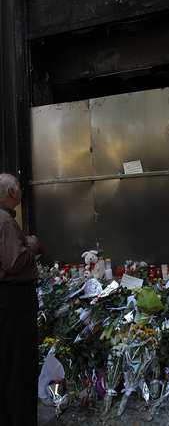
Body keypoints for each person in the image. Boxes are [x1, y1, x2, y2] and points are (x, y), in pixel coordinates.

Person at [0, 173, 40, 426]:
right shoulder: (4, 221)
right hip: (14, 299)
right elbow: (14, 262)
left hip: (8, 299)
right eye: (19, 188)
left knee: (8, 360)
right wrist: (32, 245)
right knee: (19, 362)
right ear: (12, 193)